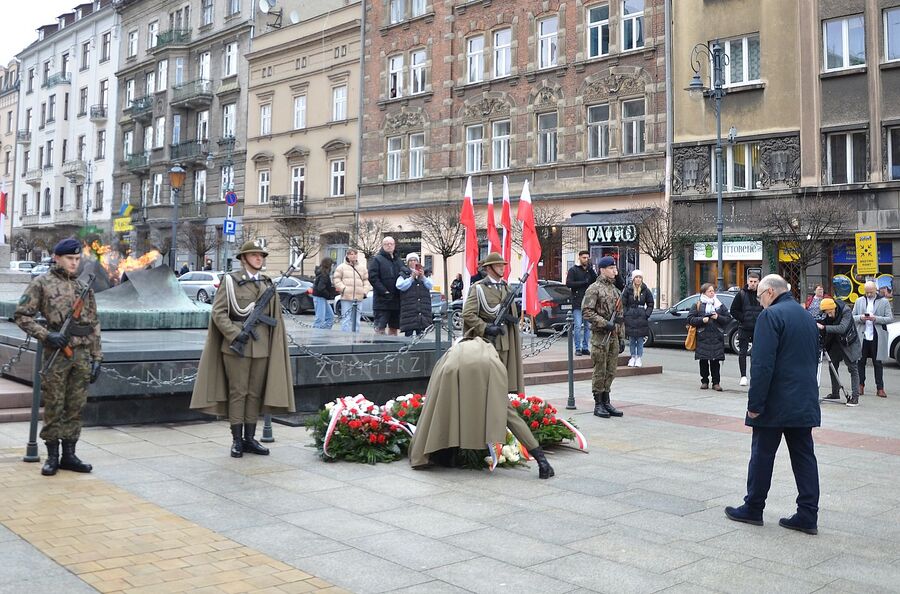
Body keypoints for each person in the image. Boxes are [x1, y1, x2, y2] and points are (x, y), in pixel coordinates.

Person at [724, 274, 821, 535]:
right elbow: (815, 356)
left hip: (775, 402)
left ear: (769, 293)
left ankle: (753, 507)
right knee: (804, 457)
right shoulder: (806, 316)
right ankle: (807, 514)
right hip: (804, 399)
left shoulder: (771, 316)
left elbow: (762, 363)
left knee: (762, 455)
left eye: (760, 298)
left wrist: (755, 404)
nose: (760, 303)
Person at [190, 240, 296, 457]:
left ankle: (250, 438)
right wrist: (236, 333)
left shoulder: (267, 284)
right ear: (244, 258)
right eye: (255, 255)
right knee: (238, 393)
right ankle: (237, 440)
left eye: (261, 255)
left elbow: (274, 317)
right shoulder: (230, 281)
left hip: (262, 346)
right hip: (236, 347)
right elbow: (218, 313)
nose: (260, 258)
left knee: (254, 394)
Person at [461, 252, 554, 478]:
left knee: (499, 396)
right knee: (497, 400)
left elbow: (512, 319)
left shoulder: (505, 288)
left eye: (503, 265)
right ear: (489, 268)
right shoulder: (478, 289)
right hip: (486, 348)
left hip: (504, 347)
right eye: (499, 265)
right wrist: (485, 328)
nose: (503, 268)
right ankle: (538, 457)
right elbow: (468, 314)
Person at [15, 238, 102, 476]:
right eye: (69, 259)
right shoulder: (42, 283)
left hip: (82, 355)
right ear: (57, 258)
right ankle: (52, 456)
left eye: (77, 259)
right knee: (54, 405)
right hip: (58, 355)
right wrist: (46, 335)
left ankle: (69, 455)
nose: (74, 264)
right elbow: (22, 315)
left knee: (76, 406)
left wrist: (97, 358)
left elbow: (94, 324)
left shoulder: (84, 287)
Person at [582, 256, 625, 418]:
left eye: (615, 268)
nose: (615, 271)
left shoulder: (616, 290)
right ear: (602, 270)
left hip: (613, 336)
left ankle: (606, 401)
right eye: (611, 268)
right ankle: (598, 403)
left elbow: (620, 316)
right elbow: (587, 311)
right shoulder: (594, 288)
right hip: (600, 336)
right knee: (600, 370)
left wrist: (621, 337)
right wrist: (604, 323)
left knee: (611, 370)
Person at [687, 283, 733, 391]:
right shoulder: (697, 305)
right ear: (704, 293)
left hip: (716, 336)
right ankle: (704, 381)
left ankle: (716, 383)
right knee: (703, 360)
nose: (712, 293)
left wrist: (718, 317)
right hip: (703, 336)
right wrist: (702, 320)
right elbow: (690, 319)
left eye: (713, 291)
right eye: (710, 291)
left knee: (715, 361)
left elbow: (728, 318)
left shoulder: (719, 305)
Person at [818, 298, 861, 407]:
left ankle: (855, 397)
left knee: (853, 368)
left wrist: (823, 327)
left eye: (830, 312)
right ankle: (835, 393)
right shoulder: (829, 312)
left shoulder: (846, 311)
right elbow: (826, 322)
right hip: (836, 342)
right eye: (826, 313)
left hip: (849, 342)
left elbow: (842, 328)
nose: (829, 315)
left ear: (833, 308)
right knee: (832, 365)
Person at [853, 281, 893, 398]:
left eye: (871, 292)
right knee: (860, 362)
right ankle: (860, 386)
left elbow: (889, 318)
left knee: (878, 363)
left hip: (877, 336)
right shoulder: (859, 301)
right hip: (863, 336)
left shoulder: (884, 301)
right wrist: (861, 317)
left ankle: (880, 388)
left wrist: (875, 318)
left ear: (876, 290)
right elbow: (852, 316)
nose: (869, 294)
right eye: (867, 292)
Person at [730, 272, 763, 386]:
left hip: (758, 328)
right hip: (744, 327)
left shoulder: (761, 294)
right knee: (742, 352)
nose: (753, 284)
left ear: (758, 282)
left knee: (757, 354)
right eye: (751, 281)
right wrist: (742, 318)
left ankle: (754, 376)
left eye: (755, 281)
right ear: (747, 281)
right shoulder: (741, 294)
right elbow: (733, 310)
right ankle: (743, 376)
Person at [565, 250, 598, 356]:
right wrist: (583, 283)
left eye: (587, 257)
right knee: (578, 326)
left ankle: (585, 347)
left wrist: (591, 270)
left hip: (589, 303)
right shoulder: (573, 270)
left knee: (588, 327)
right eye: (584, 257)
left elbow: (596, 281)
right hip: (578, 302)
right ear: (579, 258)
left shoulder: (589, 270)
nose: (586, 259)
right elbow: (569, 283)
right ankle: (578, 348)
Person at [367, 236, 402, 335]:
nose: (389, 246)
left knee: (394, 328)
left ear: (394, 245)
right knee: (380, 328)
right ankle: (379, 349)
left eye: (391, 244)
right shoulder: (377, 259)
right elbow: (373, 278)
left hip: (396, 301)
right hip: (382, 301)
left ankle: (393, 349)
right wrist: (384, 291)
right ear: (383, 246)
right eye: (387, 244)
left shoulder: (398, 260)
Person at [621, 269, 654, 367]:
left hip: (641, 317)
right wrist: (626, 313)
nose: (638, 279)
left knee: (640, 339)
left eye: (640, 277)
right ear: (633, 279)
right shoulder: (628, 289)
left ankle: (639, 357)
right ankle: (632, 357)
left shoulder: (646, 290)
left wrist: (646, 314)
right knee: (631, 339)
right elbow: (623, 303)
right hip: (630, 317)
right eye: (636, 277)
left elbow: (650, 303)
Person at [333, 248, 370, 333]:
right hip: (346, 297)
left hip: (359, 297)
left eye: (355, 254)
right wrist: (344, 289)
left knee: (357, 320)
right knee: (346, 319)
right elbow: (336, 279)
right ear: (348, 256)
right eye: (351, 254)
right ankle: (345, 337)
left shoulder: (362, 268)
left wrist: (364, 291)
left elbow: (366, 281)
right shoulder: (341, 267)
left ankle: (355, 337)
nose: (353, 256)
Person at [396, 253, 433, 337]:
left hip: (422, 310)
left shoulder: (425, 273)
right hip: (409, 310)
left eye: (415, 260)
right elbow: (400, 286)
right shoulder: (403, 274)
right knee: (408, 336)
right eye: (411, 260)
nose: (413, 262)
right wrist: (411, 278)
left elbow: (430, 285)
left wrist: (423, 277)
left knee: (421, 335)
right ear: (408, 262)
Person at [312, 257, 337, 329]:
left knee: (330, 317)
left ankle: (324, 333)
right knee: (320, 318)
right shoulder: (324, 275)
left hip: (321, 297)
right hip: (320, 297)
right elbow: (321, 288)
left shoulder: (323, 273)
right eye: (332, 265)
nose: (333, 267)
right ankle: (318, 336)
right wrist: (328, 294)